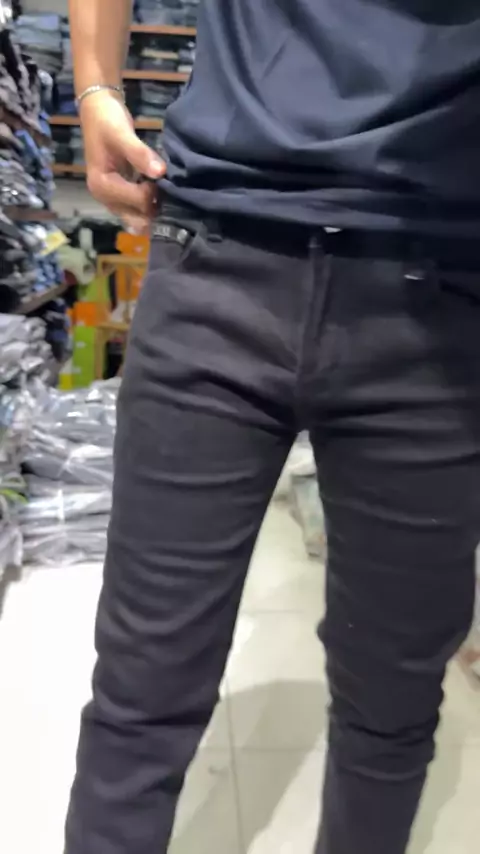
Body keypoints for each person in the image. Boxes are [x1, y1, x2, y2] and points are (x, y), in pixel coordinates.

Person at [65, 2, 480, 853]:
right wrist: (96, 84)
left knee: (392, 701)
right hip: (217, 254)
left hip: (440, 292)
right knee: (143, 691)